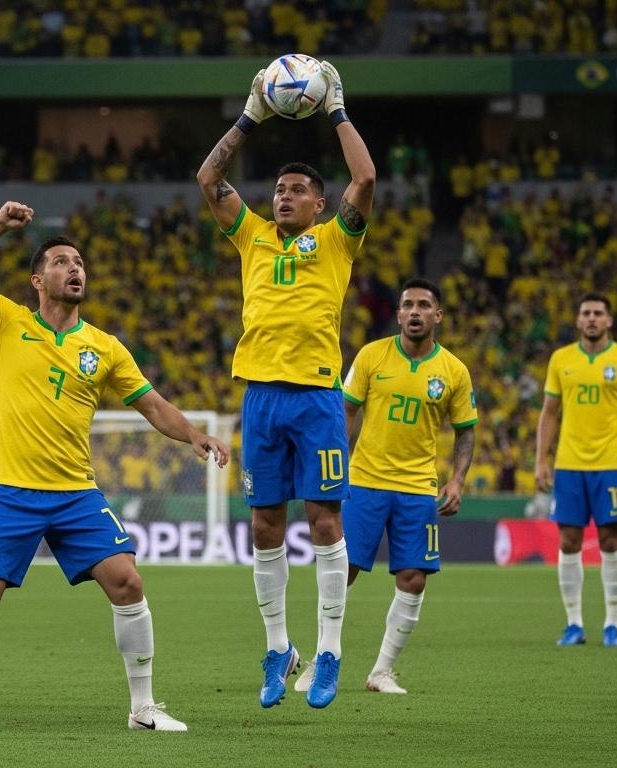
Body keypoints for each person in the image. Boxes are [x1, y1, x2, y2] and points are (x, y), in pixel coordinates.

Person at [0, 202, 230, 733]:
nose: (75, 269)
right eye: (62, 262)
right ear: (37, 280)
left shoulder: (105, 347)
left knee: (128, 582)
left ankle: (142, 708)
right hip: (10, 490)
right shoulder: (5, 320)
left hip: (75, 493)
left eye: (80, 263)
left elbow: (151, 404)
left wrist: (194, 433)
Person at [195, 60, 375, 707]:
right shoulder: (252, 237)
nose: (284, 196)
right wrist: (251, 115)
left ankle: (329, 652)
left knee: (325, 522)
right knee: (265, 525)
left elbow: (365, 177)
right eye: (279, 189)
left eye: (298, 189)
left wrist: (337, 108)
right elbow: (209, 178)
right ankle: (279, 649)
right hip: (261, 398)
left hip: (318, 398)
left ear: (320, 204)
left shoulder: (336, 241)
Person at [333, 279, 476, 698]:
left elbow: (466, 430)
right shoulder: (371, 355)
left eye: (424, 305)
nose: (415, 311)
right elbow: (346, 410)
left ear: (438, 315)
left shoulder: (454, 370)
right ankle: (322, 658)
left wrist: (457, 479)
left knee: (414, 579)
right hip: (364, 481)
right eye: (408, 305)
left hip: (417, 488)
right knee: (343, 571)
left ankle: (382, 671)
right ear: (398, 314)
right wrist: (338, 462)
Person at [534, 293, 617, 647]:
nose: (592, 318)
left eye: (598, 313)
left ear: (609, 320)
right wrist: (541, 459)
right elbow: (549, 412)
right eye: (586, 313)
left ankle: (612, 624)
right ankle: (574, 624)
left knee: (610, 539)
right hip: (569, 465)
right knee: (569, 540)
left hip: (610, 464)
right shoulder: (561, 359)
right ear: (578, 319)